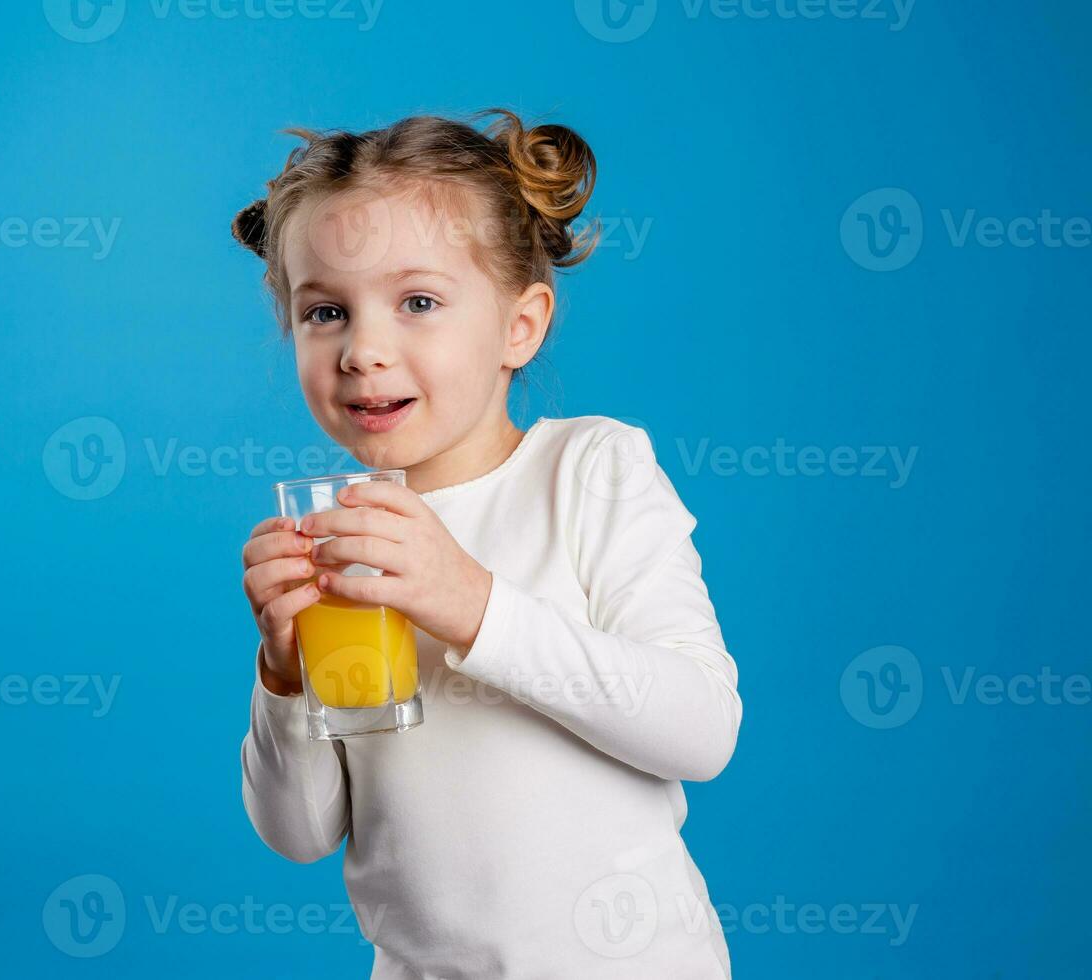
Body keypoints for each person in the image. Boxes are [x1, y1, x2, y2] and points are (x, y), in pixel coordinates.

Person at [233, 107, 742, 979]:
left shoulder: (589, 472)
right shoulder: (336, 539)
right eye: (325, 311)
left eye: (419, 301)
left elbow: (701, 730)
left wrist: (472, 603)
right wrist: (283, 676)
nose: (363, 350)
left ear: (522, 324)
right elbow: (300, 833)